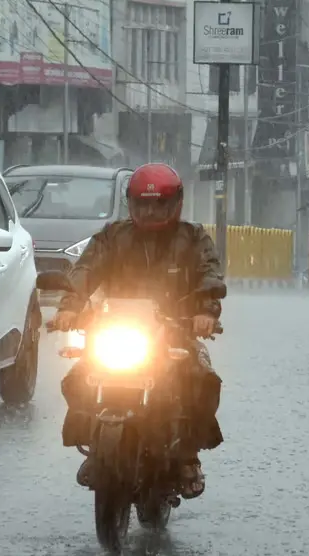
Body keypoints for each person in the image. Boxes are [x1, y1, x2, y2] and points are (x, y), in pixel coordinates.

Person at [49, 163, 225, 500]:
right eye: (142, 204)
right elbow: (86, 268)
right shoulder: (113, 236)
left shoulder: (192, 237)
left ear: (175, 203)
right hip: (115, 328)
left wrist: (205, 311)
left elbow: (209, 276)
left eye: (159, 204)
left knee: (200, 380)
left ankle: (188, 456)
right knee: (79, 376)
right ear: (130, 203)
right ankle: (95, 444)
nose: (150, 211)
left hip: (173, 331)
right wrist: (70, 307)